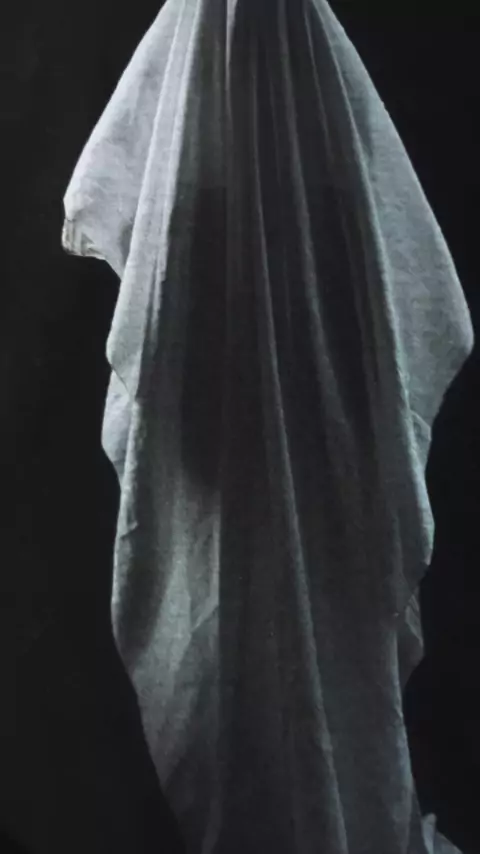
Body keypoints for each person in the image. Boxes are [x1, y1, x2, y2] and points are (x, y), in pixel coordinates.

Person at [62, 1, 474, 851]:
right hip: (290, 497)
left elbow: (153, 348)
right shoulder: (328, 170)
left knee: (256, 685)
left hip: (263, 498)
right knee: (293, 679)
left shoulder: (201, 183)